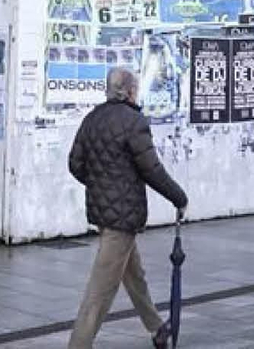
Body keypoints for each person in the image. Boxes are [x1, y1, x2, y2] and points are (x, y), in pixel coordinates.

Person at [67, 66, 188, 349]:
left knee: (134, 275)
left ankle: (158, 328)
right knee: (99, 293)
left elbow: (75, 164)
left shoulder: (92, 119)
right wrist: (179, 198)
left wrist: (100, 185)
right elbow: (152, 170)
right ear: (131, 91)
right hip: (123, 219)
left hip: (106, 214)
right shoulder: (133, 122)